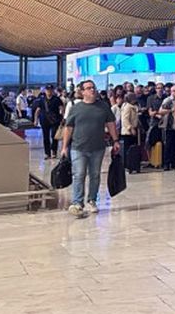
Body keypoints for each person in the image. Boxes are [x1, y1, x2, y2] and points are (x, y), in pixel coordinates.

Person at [62, 80, 120, 218]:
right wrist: (64, 146)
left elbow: (111, 123)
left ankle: (92, 199)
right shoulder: (76, 108)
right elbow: (68, 127)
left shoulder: (103, 107)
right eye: (88, 88)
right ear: (82, 92)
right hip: (78, 147)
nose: (92, 90)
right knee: (79, 174)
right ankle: (77, 202)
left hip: (98, 147)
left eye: (93, 87)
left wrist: (115, 140)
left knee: (95, 175)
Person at [37, 84, 64, 159]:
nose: (49, 91)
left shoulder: (56, 99)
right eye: (47, 90)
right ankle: (47, 153)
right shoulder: (42, 100)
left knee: (54, 136)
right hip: (44, 120)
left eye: (50, 90)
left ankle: (54, 151)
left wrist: (62, 117)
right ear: (45, 91)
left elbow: (61, 108)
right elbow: (38, 110)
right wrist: (35, 120)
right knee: (46, 137)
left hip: (55, 120)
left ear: (53, 90)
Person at [120, 94, 139, 171]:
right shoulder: (127, 107)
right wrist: (130, 128)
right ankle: (127, 165)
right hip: (127, 132)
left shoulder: (133, 107)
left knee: (132, 149)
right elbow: (125, 119)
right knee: (127, 150)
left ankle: (132, 164)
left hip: (133, 129)